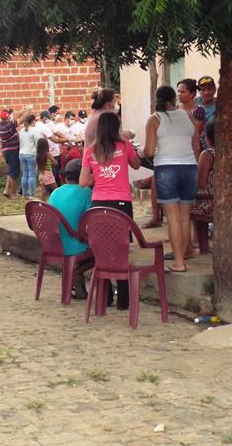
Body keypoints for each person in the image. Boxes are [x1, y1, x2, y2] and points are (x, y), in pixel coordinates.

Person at [79, 111, 141, 309]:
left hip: (98, 205)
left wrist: (99, 174)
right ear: (116, 128)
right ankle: (124, 300)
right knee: (121, 250)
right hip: (121, 204)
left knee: (101, 250)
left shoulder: (90, 150)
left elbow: (83, 182)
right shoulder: (124, 146)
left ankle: (104, 299)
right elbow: (137, 165)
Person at [142, 86, 198, 272]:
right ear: (174, 98)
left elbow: (149, 151)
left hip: (166, 168)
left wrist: (141, 152)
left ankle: (179, 262)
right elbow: (196, 145)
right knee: (184, 218)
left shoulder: (154, 119)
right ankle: (184, 255)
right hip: (190, 167)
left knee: (173, 219)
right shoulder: (187, 115)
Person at [48, 159, 94, 297]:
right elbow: (91, 222)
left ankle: (79, 290)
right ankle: (74, 274)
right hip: (75, 245)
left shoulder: (55, 192)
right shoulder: (86, 193)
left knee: (75, 238)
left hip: (54, 244)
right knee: (101, 252)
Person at [36, 110, 68, 185]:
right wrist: (66, 139)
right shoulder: (43, 127)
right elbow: (55, 140)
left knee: (42, 173)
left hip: (37, 152)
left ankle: (45, 189)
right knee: (52, 172)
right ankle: (54, 188)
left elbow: (56, 132)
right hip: (47, 152)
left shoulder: (36, 125)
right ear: (45, 118)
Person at [0, 107, 23, 198]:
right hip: (12, 151)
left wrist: (21, 112)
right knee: (14, 173)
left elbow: (15, 120)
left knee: (11, 171)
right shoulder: (9, 125)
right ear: (8, 117)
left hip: (6, 151)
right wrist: (27, 111)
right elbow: (19, 121)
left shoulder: (2, 125)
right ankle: (13, 193)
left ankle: (7, 191)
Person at [177, 78, 205, 158]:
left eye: (183, 92)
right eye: (178, 91)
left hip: (193, 151)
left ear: (192, 94)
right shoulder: (175, 109)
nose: (179, 94)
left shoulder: (199, 110)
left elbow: (194, 131)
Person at [18, 114, 41, 199]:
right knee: (32, 175)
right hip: (31, 154)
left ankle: (24, 194)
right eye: (35, 120)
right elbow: (38, 143)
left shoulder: (22, 130)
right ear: (33, 121)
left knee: (25, 174)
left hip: (22, 154)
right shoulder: (35, 131)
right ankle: (31, 195)